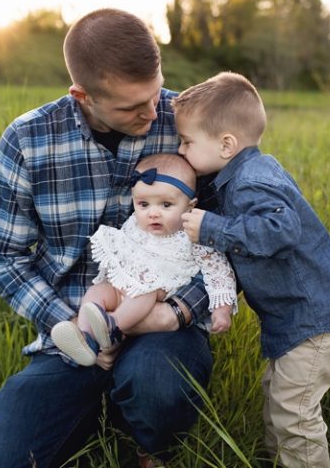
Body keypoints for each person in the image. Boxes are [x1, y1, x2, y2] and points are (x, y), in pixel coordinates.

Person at [0, 8, 214, 468]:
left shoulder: (187, 122)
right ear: (81, 95)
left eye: (155, 92)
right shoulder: (27, 140)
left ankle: (148, 446)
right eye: (130, 107)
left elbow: (231, 238)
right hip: (74, 328)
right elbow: (5, 259)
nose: (152, 112)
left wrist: (176, 312)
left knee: (159, 384)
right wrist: (80, 334)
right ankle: (91, 408)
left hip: (164, 325)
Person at [175, 72, 330, 468]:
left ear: (226, 144)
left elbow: (281, 230)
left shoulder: (250, 181)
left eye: (188, 142)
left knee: (293, 412)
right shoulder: (244, 174)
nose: (181, 149)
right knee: (276, 396)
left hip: (312, 318)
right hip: (294, 318)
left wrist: (211, 227)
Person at [49, 154, 236, 367]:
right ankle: (86, 339)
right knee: (96, 292)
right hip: (119, 290)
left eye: (166, 205)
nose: (153, 213)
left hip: (150, 297)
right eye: (143, 204)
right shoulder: (134, 224)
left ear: (190, 206)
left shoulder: (193, 235)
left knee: (145, 292)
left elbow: (219, 271)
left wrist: (222, 309)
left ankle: (113, 326)